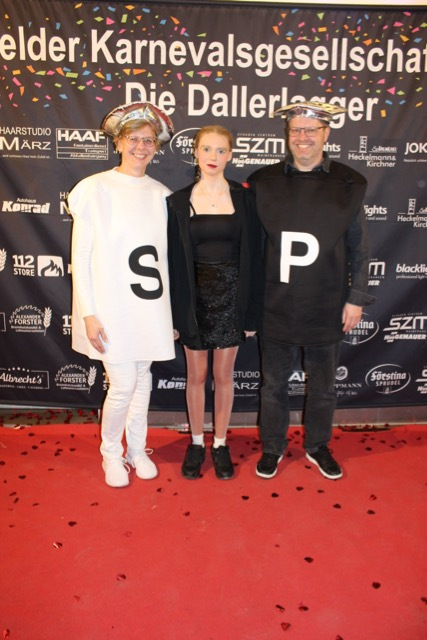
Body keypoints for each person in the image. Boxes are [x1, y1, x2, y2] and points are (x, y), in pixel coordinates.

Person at [248, 101, 375, 481]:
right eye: (296, 130)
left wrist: (356, 298)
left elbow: (360, 248)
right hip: (276, 303)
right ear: (287, 134)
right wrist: (250, 306)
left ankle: (318, 445)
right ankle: (272, 446)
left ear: (326, 134)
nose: (302, 137)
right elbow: (253, 250)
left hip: (327, 303)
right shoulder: (264, 181)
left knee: (323, 387)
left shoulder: (348, 183)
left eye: (310, 130)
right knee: (273, 386)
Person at [68, 101, 176, 488]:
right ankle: (111, 453)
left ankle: (137, 449)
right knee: (124, 383)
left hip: (149, 307)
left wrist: (170, 315)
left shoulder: (162, 195)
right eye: (133, 138)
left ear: (156, 147)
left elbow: (166, 262)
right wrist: (89, 313)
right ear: (118, 142)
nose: (141, 147)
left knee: (143, 380)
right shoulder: (94, 189)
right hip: (111, 307)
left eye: (149, 140)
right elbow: (81, 256)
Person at [167, 125, 263, 480]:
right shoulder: (178, 201)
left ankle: (220, 443)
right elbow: (172, 262)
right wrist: (174, 315)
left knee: (224, 376)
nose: (213, 157)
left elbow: (256, 257)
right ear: (195, 151)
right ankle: (196, 443)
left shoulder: (246, 199)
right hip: (193, 300)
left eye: (221, 150)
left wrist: (251, 313)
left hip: (233, 299)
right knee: (196, 375)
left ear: (231, 155)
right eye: (206, 149)